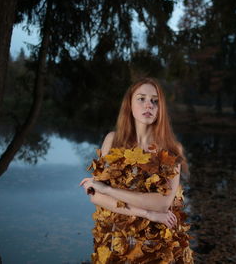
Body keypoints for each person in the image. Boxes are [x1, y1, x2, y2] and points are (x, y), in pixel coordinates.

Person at [79, 77, 193, 263]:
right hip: (119, 239)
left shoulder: (171, 149)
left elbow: (162, 204)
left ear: (160, 109)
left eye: (154, 101)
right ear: (129, 105)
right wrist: (148, 213)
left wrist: (108, 190)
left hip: (157, 244)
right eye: (141, 99)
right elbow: (95, 196)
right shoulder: (113, 140)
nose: (148, 105)